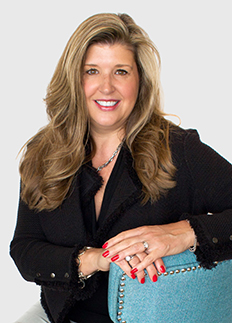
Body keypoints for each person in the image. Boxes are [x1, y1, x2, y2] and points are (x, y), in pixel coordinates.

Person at [10, 12, 232, 323]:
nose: (106, 87)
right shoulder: (43, 153)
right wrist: (97, 259)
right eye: (92, 71)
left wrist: (183, 234)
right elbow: (24, 249)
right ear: (74, 79)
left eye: (121, 72)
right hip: (58, 316)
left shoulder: (178, 150)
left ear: (139, 80)